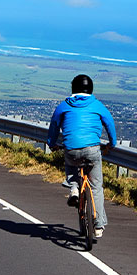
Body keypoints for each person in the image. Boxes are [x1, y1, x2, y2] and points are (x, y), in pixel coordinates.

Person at [47, 74, 116, 238]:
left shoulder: (64, 106)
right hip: (92, 150)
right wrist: (111, 145)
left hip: (71, 148)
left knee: (71, 166)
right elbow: (110, 124)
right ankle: (98, 226)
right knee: (96, 187)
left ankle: (74, 189)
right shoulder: (98, 105)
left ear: (73, 88)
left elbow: (54, 126)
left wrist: (52, 144)